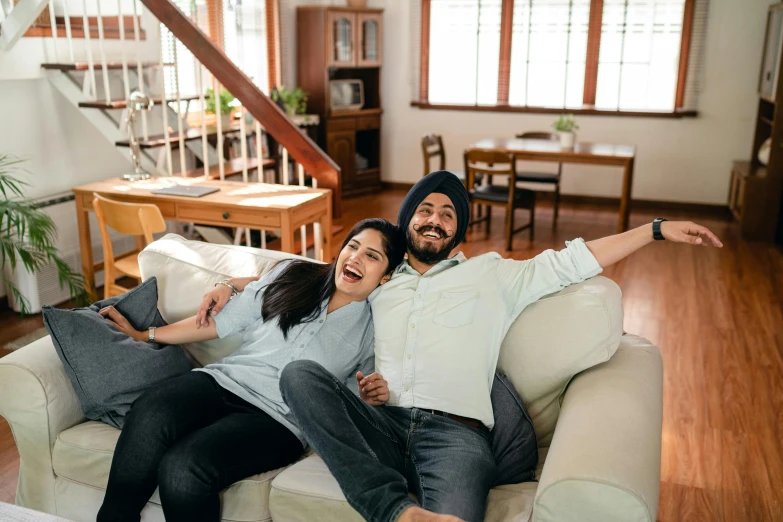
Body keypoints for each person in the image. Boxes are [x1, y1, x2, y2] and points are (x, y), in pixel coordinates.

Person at [211, 171, 723, 522]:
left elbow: (576, 259)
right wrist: (232, 284)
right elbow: (304, 277)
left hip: (454, 436)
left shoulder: (493, 275)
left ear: (457, 233)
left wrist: (654, 230)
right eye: (425, 210)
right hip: (383, 425)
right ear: (408, 221)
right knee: (299, 374)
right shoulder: (381, 281)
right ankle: (392, 510)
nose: (434, 218)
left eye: (448, 215)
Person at [95, 218, 406, 522]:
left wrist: (371, 396)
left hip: (278, 421)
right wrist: (145, 334)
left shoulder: (373, 329)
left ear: (386, 276)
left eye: (371, 255)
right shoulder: (294, 274)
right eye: (353, 246)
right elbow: (217, 323)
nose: (355, 258)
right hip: (225, 380)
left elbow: (348, 399)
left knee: (183, 466)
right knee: (150, 410)